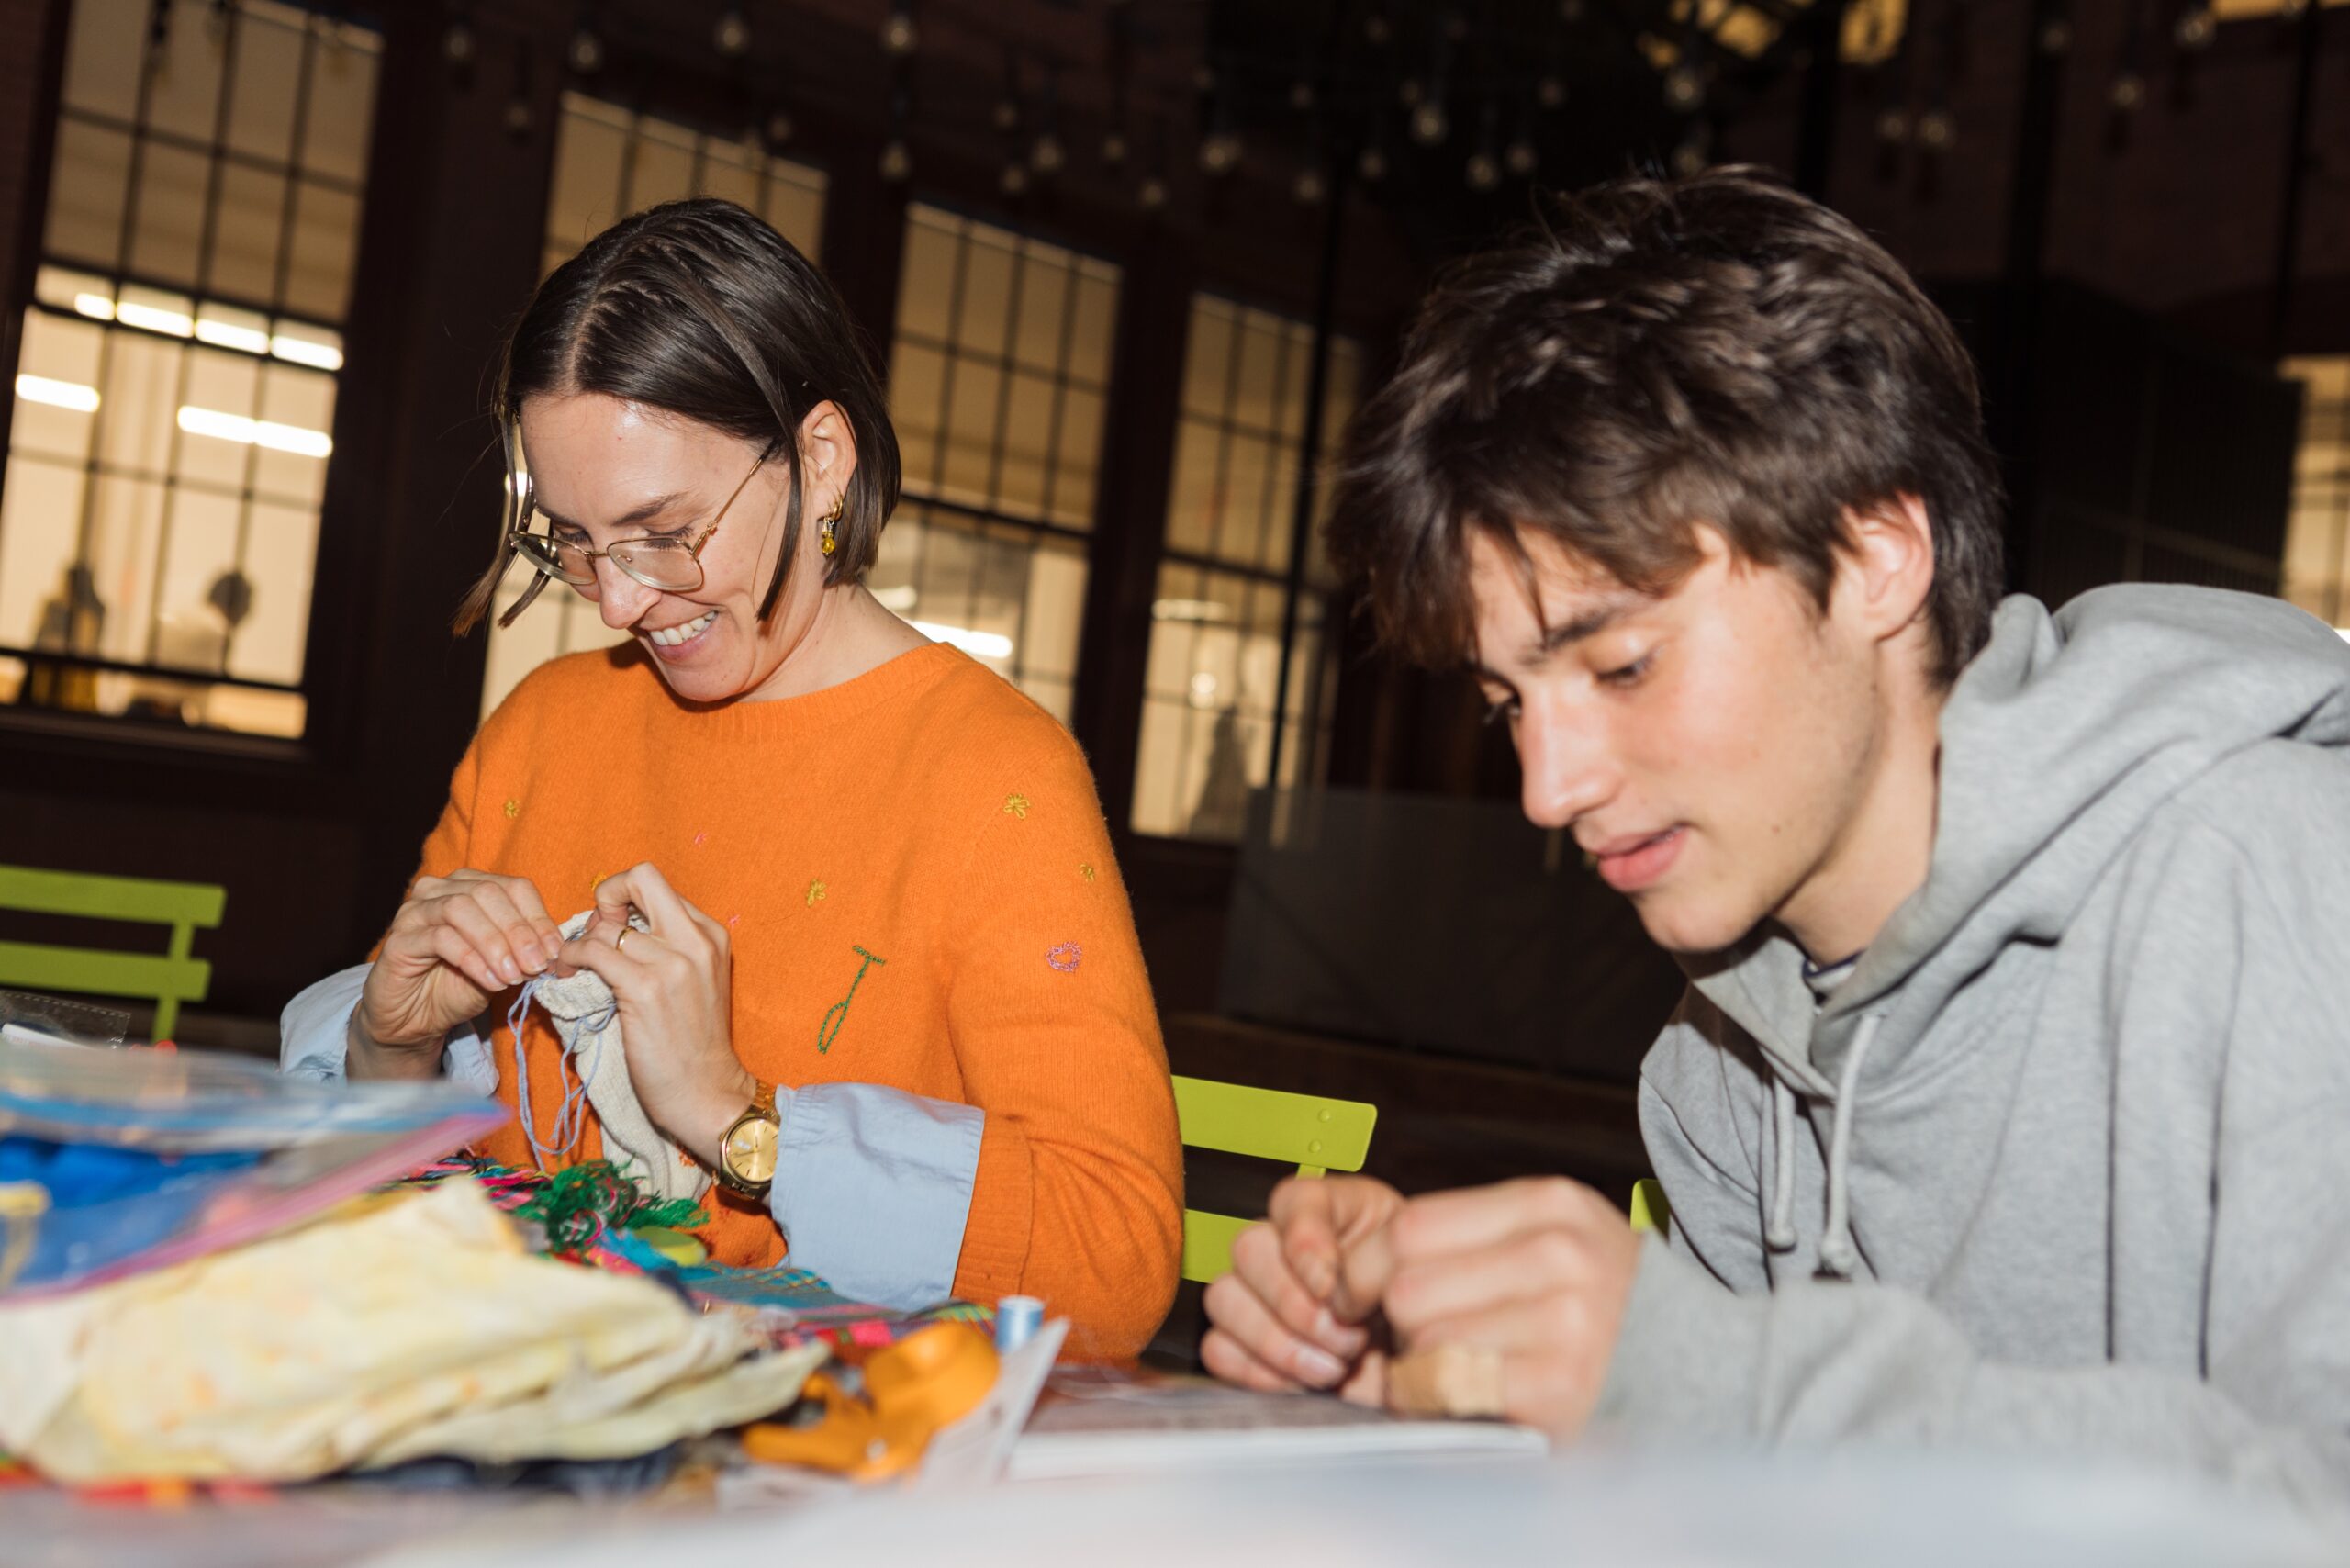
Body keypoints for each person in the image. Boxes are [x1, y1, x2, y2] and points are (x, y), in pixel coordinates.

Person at [1200, 168, 2350, 1506]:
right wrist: (1449, 1391)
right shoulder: (1713, 1067)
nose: (1546, 787)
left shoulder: (2271, 870)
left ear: (1875, 557)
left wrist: (1709, 1385)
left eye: (1622, 666)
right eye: (1511, 701)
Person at [282, 198, 1181, 1357]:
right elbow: (393, 1218)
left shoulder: (988, 775)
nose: (616, 601)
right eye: (574, 540)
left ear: (819, 460)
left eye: (664, 531)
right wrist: (390, 1049)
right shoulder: (543, 727)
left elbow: (1115, 1260)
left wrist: (735, 1117)